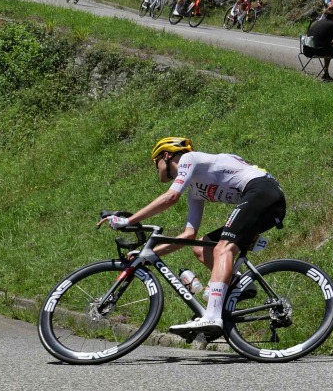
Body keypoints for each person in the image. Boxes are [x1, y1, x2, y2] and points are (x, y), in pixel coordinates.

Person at [99, 137, 287, 338]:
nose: (157, 170)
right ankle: (239, 285)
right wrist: (147, 255)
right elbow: (189, 235)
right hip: (262, 201)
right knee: (201, 247)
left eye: (156, 164)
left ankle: (212, 316)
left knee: (223, 248)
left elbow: (171, 197)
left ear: (166, 155)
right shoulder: (195, 192)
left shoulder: (189, 159)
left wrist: (128, 221)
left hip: (262, 191)